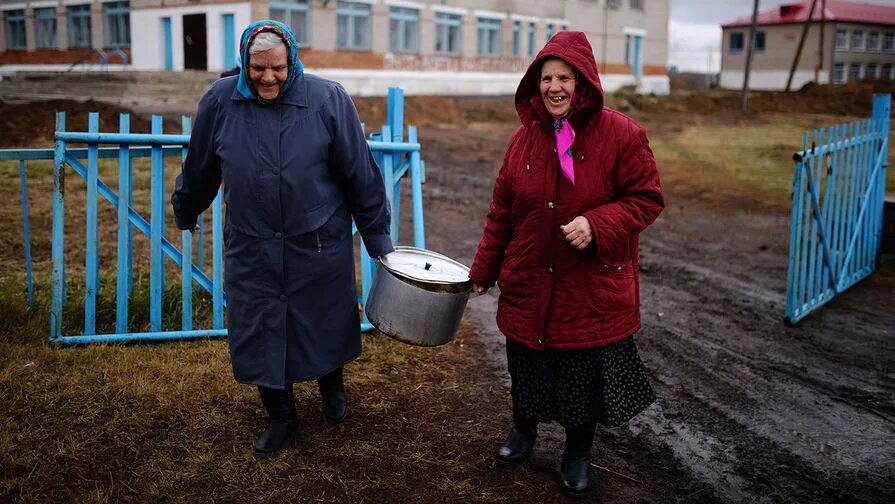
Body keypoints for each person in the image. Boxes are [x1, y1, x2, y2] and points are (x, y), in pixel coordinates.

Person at [170, 20, 393, 459]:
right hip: (253, 244)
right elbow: (200, 167)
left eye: (277, 67)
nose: (268, 77)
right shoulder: (220, 101)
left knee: (324, 321)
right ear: (243, 63)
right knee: (260, 329)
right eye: (257, 68)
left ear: (292, 60)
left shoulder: (327, 99)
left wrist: (378, 240)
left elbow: (359, 175)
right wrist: (186, 207)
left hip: (317, 241)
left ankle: (332, 385)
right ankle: (281, 415)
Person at [468, 31, 664, 497]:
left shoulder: (622, 134)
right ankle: (523, 431)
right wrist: (483, 269)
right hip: (531, 277)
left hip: (589, 283)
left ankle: (577, 451)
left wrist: (599, 224)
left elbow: (647, 199)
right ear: (535, 84)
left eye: (565, 78)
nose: (555, 87)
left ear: (584, 83)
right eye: (546, 78)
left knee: (581, 373)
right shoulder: (523, 140)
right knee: (527, 364)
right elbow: (502, 211)